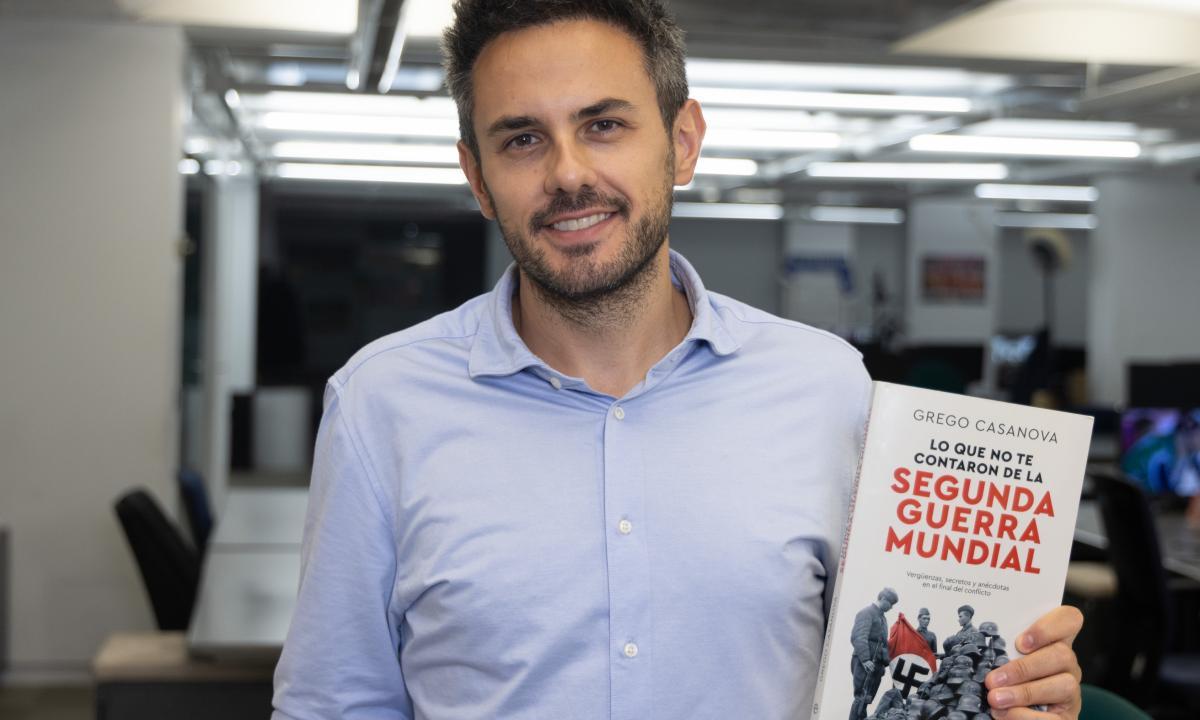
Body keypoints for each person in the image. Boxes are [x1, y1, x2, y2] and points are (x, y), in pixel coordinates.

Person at [271, 1, 1085, 718]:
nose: (568, 173)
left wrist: (1014, 693)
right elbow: (331, 705)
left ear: (683, 142)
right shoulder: (383, 403)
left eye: (603, 124)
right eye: (521, 139)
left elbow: (892, 681)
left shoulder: (827, 389)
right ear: (478, 180)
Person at [850, 588, 898, 720]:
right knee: (861, 698)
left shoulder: (883, 618)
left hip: (876, 666)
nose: (891, 607)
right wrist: (865, 659)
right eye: (891, 604)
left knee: (866, 699)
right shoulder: (866, 613)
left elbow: (883, 644)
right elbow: (859, 637)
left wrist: (886, 662)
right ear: (883, 599)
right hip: (865, 664)